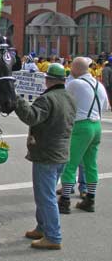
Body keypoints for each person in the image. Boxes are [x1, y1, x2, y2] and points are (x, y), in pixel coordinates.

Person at [14, 63, 76, 250]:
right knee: (45, 194)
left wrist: (17, 100)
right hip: (61, 152)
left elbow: (31, 117)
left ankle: (53, 236)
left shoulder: (47, 99)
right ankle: (42, 227)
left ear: (48, 80)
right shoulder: (69, 97)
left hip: (46, 154)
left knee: (45, 197)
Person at [58, 57, 109, 214]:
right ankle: (90, 198)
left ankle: (65, 200)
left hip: (81, 125)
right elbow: (106, 106)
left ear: (75, 69)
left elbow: (62, 100)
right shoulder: (98, 84)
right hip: (96, 125)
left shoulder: (74, 83)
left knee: (70, 162)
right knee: (90, 163)